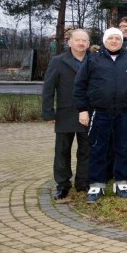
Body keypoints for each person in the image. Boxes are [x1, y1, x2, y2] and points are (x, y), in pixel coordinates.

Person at [73, 28, 127, 203]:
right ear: (105, 41)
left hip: (124, 113)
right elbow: (79, 86)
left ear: (122, 41)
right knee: (98, 148)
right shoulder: (93, 60)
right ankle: (97, 185)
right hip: (99, 112)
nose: (114, 41)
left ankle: (121, 183)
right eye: (111, 38)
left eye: (117, 38)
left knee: (122, 148)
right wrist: (82, 109)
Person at [43, 28, 91, 200]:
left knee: (86, 150)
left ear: (88, 43)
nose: (81, 43)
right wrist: (48, 113)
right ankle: (63, 185)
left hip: (88, 113)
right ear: (70, 42)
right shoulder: (58, 61)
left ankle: (83, 183)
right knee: (62, 151)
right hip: (65, 113)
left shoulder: (94, 61)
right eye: (77, 40)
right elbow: (48, 88)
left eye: (84, 40)